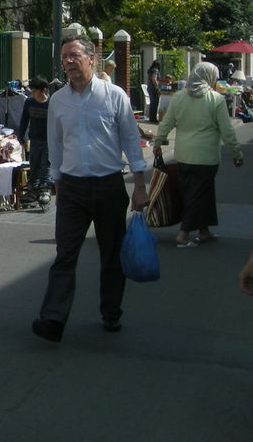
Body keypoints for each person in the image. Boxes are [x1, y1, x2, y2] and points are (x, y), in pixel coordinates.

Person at [32, 36, 149, 343]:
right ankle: (53, 319)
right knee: (64, 255)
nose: (68, 62)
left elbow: (130, 141)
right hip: (71, 188)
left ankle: (111, 313)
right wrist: (57, 182)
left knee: (111, 255)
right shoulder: (58, 101)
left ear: (91, 58)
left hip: (109, 186)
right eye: (64, 58)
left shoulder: (114, 96)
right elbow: (55, 145)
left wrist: (140, 185)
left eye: (73, 56)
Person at [152, 61, 243, 248]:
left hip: (184, 155)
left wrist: (158, 142)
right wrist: (236, 153)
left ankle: (204, 231)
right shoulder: (216, 99)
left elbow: (166, 123)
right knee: (199, 193)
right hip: (207, 157)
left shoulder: (178, 97)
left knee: (198, 193)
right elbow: (227, 131)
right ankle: (183, 234)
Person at [17, 76, 52, 201]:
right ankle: (32, 190)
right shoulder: (29, 102)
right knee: (34, 164)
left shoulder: (51, 104)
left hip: (49, 140)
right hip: (35, 139)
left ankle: (45, 189)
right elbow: (24, 120)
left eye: (34, 90)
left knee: (46, 164)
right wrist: (21, 137)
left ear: (43, 90)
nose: (32, 93)